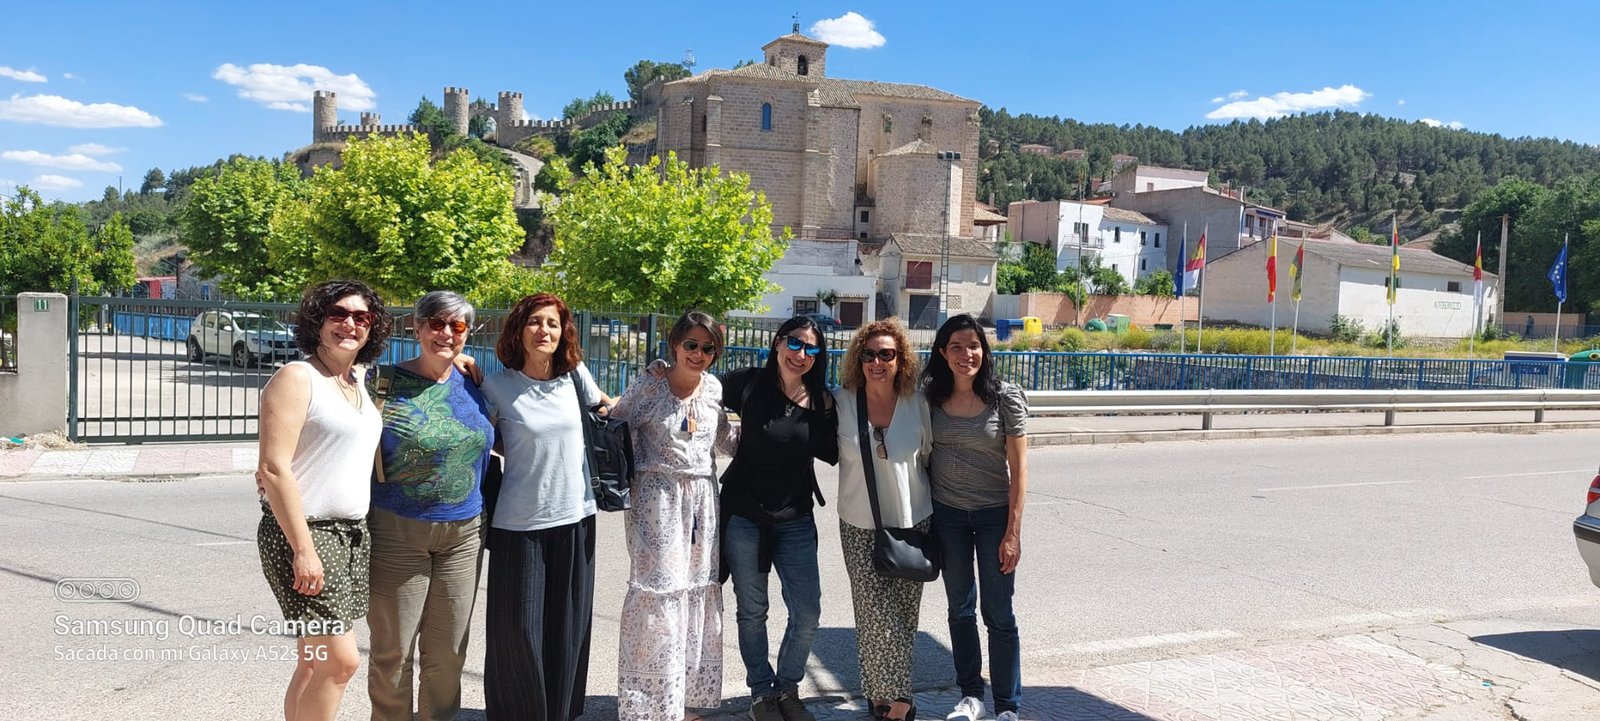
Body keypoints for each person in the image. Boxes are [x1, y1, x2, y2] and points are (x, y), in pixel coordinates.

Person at [256, 279, 392, 721]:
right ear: (317, 321)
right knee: (341, 661)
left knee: (314, 661)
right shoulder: (298, 377)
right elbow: (273, 467)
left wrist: (463, 360)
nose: (350, 324)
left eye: (362, 317)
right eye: (339, 314)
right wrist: (303, 549)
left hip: (351, 535)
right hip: (309, 534)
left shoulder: (357, 380)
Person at [478, 293, 611, 721]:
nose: (544, 331)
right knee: (518, 632)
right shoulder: (496, 386)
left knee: (566, 628)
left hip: (577, 517)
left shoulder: (575, 377)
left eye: (553, 323)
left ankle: (560, 713)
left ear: (563, 332)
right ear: (518, 330)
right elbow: (478, 438)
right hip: (518, 524)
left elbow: (607, 408)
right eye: (535, 322)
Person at [366, 291, 495, 721]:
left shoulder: (475, 382)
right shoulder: (381, 382)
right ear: (417, 327)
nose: (446, 334)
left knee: (448, 653)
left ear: (468, 332)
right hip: (396, 531)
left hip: (464, 534)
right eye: (436, 324)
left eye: (457, 326)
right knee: (393, 652)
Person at [612, 311, 736, 721]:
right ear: (674, 345)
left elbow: (724, 439)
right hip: (657, 500)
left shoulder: (713, 388)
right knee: (659, 593)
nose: (698, 354)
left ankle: (678, 699)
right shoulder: (649, 384)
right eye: (691, 345)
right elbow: (615, 428)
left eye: (708, 348)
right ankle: (649, 704)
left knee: (694, 591)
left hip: (702, 502)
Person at [718, 316, 838, 721]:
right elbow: (697, 385)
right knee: (752, 610)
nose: (801, 354)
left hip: (795, 518)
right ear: (777, 342)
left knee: (807, 612)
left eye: (811, 348)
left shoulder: (823, 402)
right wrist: (661, 371)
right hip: (744, 514)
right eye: (795, 343)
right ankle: (761, 694)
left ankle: (787, 688)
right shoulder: (749, 383)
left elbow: (841, 448)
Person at [923, 315, 1028, 721]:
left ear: (984, 350)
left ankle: (1007, 706)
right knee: (960, 608)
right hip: (947, 516)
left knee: (998, 614)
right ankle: (971, 696)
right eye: (956, 347)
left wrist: (1012, 532)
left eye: (973, 346)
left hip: (992, 517)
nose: (966, 354)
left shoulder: (1005, 398)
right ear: (942, 352)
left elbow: (1019, 470)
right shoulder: (930, 397)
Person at [833, 319, 932, 721]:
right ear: (858, 360)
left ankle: (878, 695)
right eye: (869, 354)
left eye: (886, 354)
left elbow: (930, 456)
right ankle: (902, 701)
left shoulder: (918, 403)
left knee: (903, 618)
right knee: (875, 614)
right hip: (858, 523)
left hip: (913, 523)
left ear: (900, 359)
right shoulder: (841, 402)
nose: (877, 362)